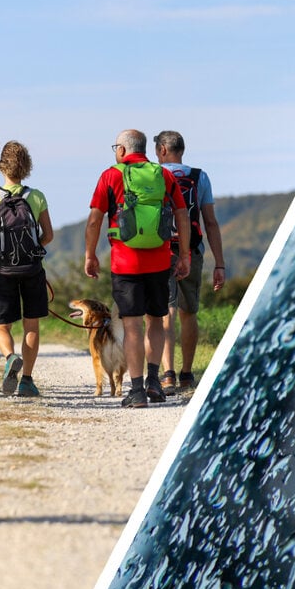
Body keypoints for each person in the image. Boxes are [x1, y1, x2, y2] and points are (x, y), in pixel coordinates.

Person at [84, 129, 191, 408]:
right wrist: (185, 257)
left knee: (131, 326)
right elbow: (182, 214)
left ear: (121, 150)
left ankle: (137, 391)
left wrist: (90, 254)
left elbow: (95, 220)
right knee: (156, 320)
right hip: (159, 261)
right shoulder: (164, 175)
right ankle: (155, 381)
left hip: (125, 263)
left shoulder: (111, 175)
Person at [0, 140, 53, 397]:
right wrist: (32, 248)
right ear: (26, 166)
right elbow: (49, 235)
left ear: (2, 166)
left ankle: (10, 357)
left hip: (2, 269)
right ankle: (27, 381)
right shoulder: (37, 196)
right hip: (32, 269)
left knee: (2, 327)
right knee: (32, 326)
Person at [153, 131, 226, 396]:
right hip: (192, 251)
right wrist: (220, 263)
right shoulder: (199, 177)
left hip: (161, 251)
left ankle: (167, 374)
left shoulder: (154, 175)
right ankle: (187, 374)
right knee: (188, 312)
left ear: (162, 150)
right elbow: (211, 222)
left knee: (166, 312)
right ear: (181, 149)